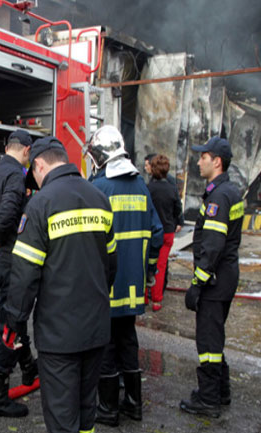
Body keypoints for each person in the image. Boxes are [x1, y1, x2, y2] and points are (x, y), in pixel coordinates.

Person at [3, 136, 117, 433]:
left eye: (34, 175)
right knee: (85, 412)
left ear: (39, 164)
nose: (36, 182)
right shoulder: (99, 199)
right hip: (96, 329)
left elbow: (24, 276)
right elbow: (111, 267)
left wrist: (13, 323)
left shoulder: (40, 204)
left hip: (59, 335)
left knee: (62, 417)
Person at [87, 126, 163, 426]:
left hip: (105, 285)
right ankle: (133, 404)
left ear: (101, 156)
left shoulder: (100, 188)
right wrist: (150, 272)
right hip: (133, 286)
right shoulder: (141, 187)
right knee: (128, 340)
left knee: (105, 344)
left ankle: (107, 409)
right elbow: (156, 233)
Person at [179, 136, 243, 418]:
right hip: (226, 277)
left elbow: (213, 246)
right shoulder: (229, 190)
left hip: (215, 281)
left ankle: (208, 400)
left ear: (216, 161)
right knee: (215, 337)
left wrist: (197, 283)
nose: (198, 161)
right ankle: (220, 391)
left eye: (203, 156)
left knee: (207, 343)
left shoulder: (218, 196)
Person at [0, 129, 38, 417]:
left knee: (14, 316)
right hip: (10, 255)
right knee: (9, 322)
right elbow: (8, 211)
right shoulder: (17, 174)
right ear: (26, 151)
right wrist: (0, 239)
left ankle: (28, 368)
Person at [146, 154, 185, 312]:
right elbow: (178, 209)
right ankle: (157, 300)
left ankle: (143, 297)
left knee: (146, 263)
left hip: (152, 232)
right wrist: (178, 223)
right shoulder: (172, 188)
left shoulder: (148, 189)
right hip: (167, 232)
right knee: (160, 266)